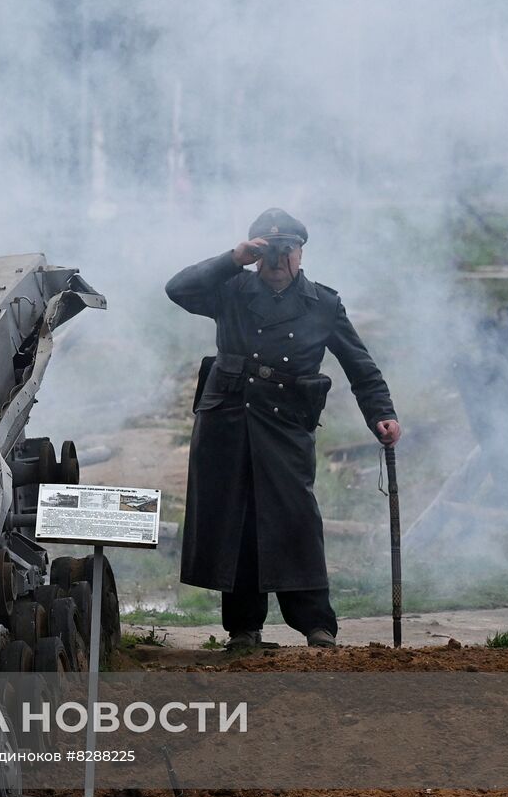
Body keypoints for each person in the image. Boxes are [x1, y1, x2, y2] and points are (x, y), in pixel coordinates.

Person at [166, 209, 400, 649]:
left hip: (286, 421)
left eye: (285, 249)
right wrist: (232, 258)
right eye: (266, 250)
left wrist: (380, 413)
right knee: (237, 520)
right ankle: (243, 628)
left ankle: (317, 624)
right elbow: (177, 289)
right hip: (229, 421)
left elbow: (361, 367)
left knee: (296, 518)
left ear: (300, 252)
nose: (276, 258)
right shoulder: (230, 289)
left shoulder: (324, 303)